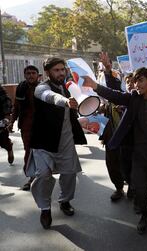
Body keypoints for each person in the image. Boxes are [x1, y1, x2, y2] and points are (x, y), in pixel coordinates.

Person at [83, 67, 147, 235]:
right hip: (139, 157)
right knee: (140, 192)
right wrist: (95, 86)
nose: (137, 84)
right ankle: (144, 215)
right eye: (135, 81)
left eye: (141, 80)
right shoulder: (133, 99)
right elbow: (114, 94)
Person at [26, 57, 87, 229]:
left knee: (69, 174)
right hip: (44, 142)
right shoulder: (41, 88)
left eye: (63, 69)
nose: (61, 73)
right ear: (47, 72)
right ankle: (45, 208)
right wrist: (66, 101)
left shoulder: (69, 86)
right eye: (56, 70)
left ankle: (65, 201)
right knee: (43, 175)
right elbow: (50, 97)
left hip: (66, 140)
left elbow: (83, 102)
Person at [97, 53, 128, 201]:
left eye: (107, 63)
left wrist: (109, 72)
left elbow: (116, 91)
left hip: (126, 117)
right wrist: (100, 106)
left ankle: (133, 186)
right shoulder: (98, 77)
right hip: (109, 120)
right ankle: (118, 187)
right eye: (102, 64)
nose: (104, 66)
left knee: (128, 155)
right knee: (112, 156)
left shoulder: (119, 76)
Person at [8, 65, 40, 190]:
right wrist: (12, 122)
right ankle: (31, 177)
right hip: (26, 126)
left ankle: (43, 175)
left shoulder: (44, 88)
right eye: (28, 73)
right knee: (29, 151)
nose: (31, 75)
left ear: (38, 75)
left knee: (43, 152)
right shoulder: (21, 88)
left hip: (43, 126)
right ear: (25, 75)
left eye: (33, 73)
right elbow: (16, 107)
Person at [0, 84, 13, 165]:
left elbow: (7, 102)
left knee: (3, 140)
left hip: (0, 119)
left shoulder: (0, 90)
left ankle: (9, 148)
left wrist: (7, 117)